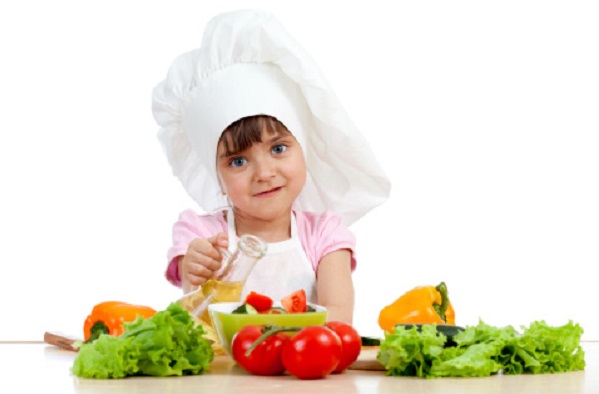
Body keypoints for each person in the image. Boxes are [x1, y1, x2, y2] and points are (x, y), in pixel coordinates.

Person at [152, 10, 390, 323]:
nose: (264, 174)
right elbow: (193, 310)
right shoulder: (202, 234)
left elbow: (338, 318)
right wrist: (194, 268)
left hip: (301, 366)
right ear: (217, 178)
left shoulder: (324, 235)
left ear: (304, 150)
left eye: (278, 148)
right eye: (238, 161)